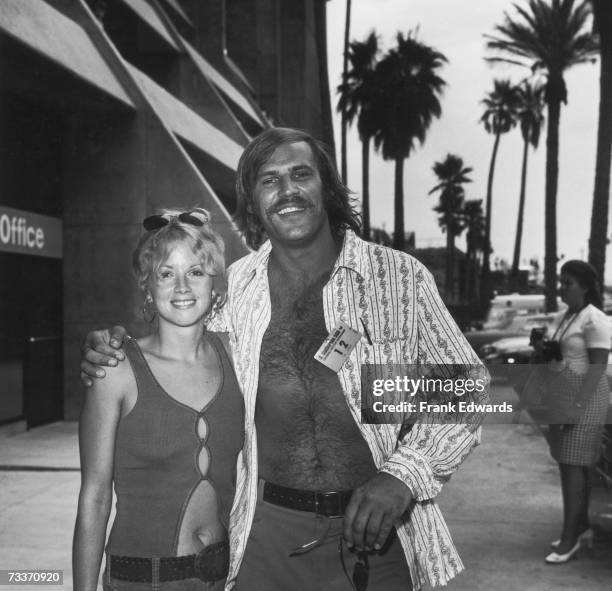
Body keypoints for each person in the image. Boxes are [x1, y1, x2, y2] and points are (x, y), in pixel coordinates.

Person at [80, 127, 489, 591]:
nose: (288, 191)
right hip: (265, 540)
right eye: (269, 180)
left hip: (377, 542)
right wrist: (113, 346)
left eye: (301, 175)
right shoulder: (234, 291)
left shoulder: (398, 280)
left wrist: (404, 476)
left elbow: (466, 389)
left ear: (327, 188)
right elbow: (175, 340)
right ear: (252, 202)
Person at [73, 208, 244, 591]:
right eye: (166, 273)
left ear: (214, 284)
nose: (182, 286)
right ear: (148, 286)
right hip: (141, 581)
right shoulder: (115, 370)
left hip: (223, 580)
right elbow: (95, 497)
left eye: (195, 272)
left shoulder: (238, 358)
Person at [541, 260, 610, 564]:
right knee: (570, 464)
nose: (562, 287)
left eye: (567, 282)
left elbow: (597, 369)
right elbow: (558, 354)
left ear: (584, 286)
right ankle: (579, 525)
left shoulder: (595, 319)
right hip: (562, 394)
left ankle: (569, 539)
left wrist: (578, 406)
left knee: (573, 466)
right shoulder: (564, 316)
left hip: (586, 396)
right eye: (561, 281)